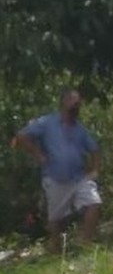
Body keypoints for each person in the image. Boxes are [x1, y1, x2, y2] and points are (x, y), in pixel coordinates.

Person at [15, 88, 102, 253]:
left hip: (78, 177)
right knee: (56, 217)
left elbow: (95, 148)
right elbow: (21, 136)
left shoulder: (80, 129)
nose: (77, 105)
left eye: (78, 102)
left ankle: (86, 242)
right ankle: (55, 246)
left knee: (94, 203)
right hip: (55, 177)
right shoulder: (46, 123)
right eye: (73, 101)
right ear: (63, 102)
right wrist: (38, 154)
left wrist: (95, 170)